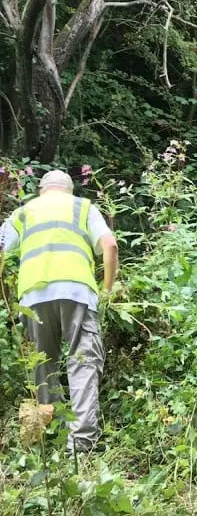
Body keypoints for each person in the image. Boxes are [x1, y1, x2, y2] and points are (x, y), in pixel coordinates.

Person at [0, 170, 118, 453]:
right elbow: (110, 245)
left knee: (43, 363)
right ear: (70, 189)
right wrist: (107, 290)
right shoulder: (83, 207)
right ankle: (81, 443)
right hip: (77, 292)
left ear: (41, 190)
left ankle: (49, 433)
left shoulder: (24, 212)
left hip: (33, 297)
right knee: (83, 362)